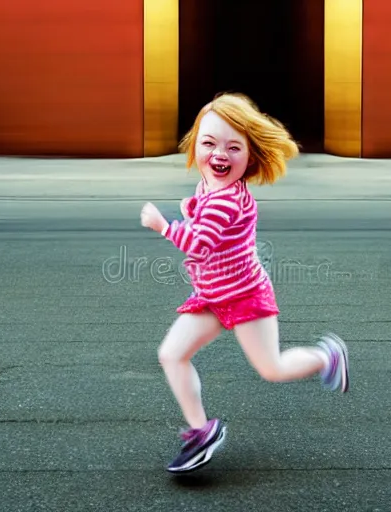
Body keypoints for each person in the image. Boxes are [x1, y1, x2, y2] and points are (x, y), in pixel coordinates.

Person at [140, 92, 349, 474]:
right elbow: (200, 214)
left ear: (249, 157)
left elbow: (200, 243)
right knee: (172, 354)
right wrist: (187, 211)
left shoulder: (226, 201)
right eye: (209, 143)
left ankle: (327, 357)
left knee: (272, 369)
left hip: (245, 296)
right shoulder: (212, 189)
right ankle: (201, 431)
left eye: (233, 147)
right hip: (213, 296)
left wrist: (163, 225)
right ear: (195, 147)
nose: (219, 154)